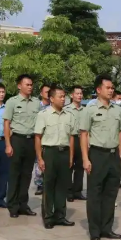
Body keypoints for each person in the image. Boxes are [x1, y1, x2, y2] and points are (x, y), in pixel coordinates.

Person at [80, 74, 121, 240]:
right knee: (95, 193)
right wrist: (85, 158)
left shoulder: (118, 110)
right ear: (98, 90)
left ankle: (107, 228)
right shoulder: (89, 110)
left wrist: (120, 154)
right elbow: (83, 135)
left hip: (113, 156)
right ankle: (95, 231)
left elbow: (120, 133)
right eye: (108, 87)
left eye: (112, 88)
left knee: (111, 193)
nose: (111, 90)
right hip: (97, 154)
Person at [35, 85, 76, 229]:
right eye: (60, 96)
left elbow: (71, 136)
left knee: (62, 186)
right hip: (50, 153)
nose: (63, 99)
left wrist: (70, 156)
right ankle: (48, 216)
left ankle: (60, 215)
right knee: (49, 185)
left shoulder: (69, 115)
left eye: (64, 96)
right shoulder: (43, 115)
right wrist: (40, 158)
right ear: (51, 98)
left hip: (64, 152)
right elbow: (38, 137)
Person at [4, 74, 40, 217]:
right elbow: (6, 123)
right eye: (27, 84)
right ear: (20, 86)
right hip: (17, 140)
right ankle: (12, 206)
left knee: (26, 174)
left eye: (31, 85)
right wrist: (8, 144)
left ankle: (23, 204)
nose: (30, 87)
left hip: (31, 140)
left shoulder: (36, 102)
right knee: (14, 174)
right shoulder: (12, 102)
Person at [64, 85, 86, 202]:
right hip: (69, 139)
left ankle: (77, 191)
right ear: (72, 95)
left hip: (81, 139)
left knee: (80, 167)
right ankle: (68, 191)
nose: (79, 96)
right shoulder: (66, 109)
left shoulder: (85, 110)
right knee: (69, 165)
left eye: (81, 93)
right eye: (77, 93)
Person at [34, 84, 51, 196]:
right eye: (46, 92)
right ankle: (39, 184)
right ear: (41, 93)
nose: (48, 94)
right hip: (39, 137)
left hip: (50, 139)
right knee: (38, 162)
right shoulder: (37, 107)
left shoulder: (53, 106)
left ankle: (48, 184)